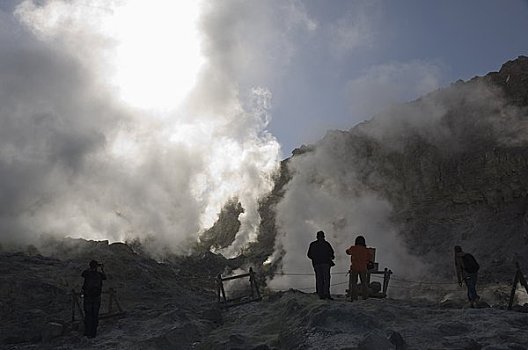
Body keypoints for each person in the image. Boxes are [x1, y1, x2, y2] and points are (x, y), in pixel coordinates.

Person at [81, 260, 107, 338]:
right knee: (95, 315)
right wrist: (101, 268)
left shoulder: (87, 273)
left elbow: (82, 274)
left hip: (88, 297)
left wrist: (91, 268)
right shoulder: (99, 274)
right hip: (96, 298)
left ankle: (87, 332)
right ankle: (93, 333)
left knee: (88, 315)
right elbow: (105, 277)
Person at [307, 230, 335, 300]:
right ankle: (326, 294)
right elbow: (332, 253)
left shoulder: (313, 244)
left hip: (316, 264)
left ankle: (320, 294)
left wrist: (315, 258)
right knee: (326, 279)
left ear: (317, 237)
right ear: (323, 236)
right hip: (326, 263)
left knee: (319, 279)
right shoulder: (326, 244)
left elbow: (309, 255)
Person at [346, 235, 374, 301]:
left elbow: (348, 252)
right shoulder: (366, 250)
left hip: (354, 267)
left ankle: (354, 297)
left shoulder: (353, 248)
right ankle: (365, 297)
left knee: (354, 283)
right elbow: (370, 257)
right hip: (363, 268)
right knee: (364, 283)